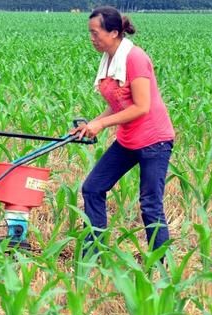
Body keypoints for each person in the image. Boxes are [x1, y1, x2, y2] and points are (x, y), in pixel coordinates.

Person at [73, 6, 174, 256]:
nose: (92, 39)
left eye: (96, 33)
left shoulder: (134, 58)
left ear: (114, 32)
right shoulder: (109, 59)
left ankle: (161, 269)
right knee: (93, 187)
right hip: (129, 140)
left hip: (154, 141)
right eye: (90, 33)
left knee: (150, 205)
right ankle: (93, 253)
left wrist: (102, 124)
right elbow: (119, 103)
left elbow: (141, 106)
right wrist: (93, 123)